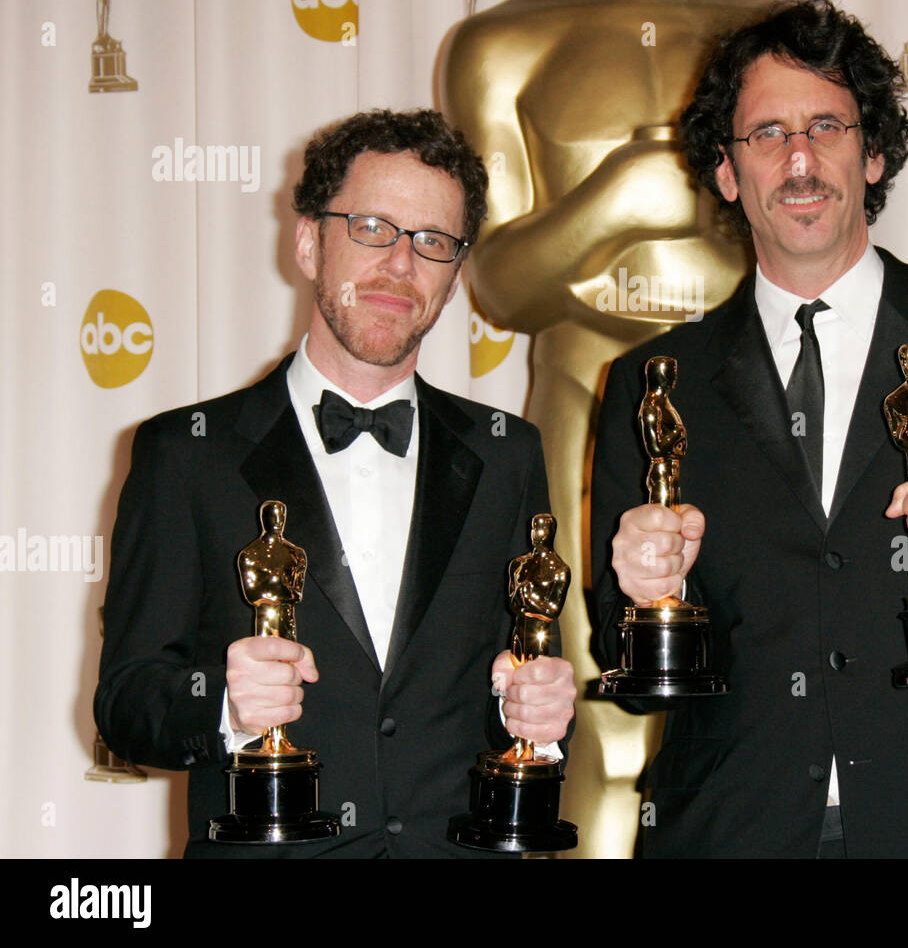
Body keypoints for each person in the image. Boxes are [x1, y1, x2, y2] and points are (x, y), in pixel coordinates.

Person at [591, 0, 908, 858]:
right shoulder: (654, 383)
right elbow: (638, 678)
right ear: (727, 170)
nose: (800, 159)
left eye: (827, 125)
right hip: (725, 830)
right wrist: (646, 596)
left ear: (873, 154)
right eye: (767, 134)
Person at [438, 0, 767, 856]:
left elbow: (813, 261)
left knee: (773, 706)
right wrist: (627, 190)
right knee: (590, 714)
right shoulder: (503, 45)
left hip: (760, 409)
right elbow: (500, 282)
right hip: (579, 408)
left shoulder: (771, 45)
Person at [95, 109, 576, 858]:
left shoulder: (508, 454)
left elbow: (520, 684)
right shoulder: (185, 454)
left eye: (433, 242)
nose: (400, 266)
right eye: (372, 227)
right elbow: (125, 703)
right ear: (309, 241)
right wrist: (224, 704)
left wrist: (540, 717)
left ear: (455, 276)